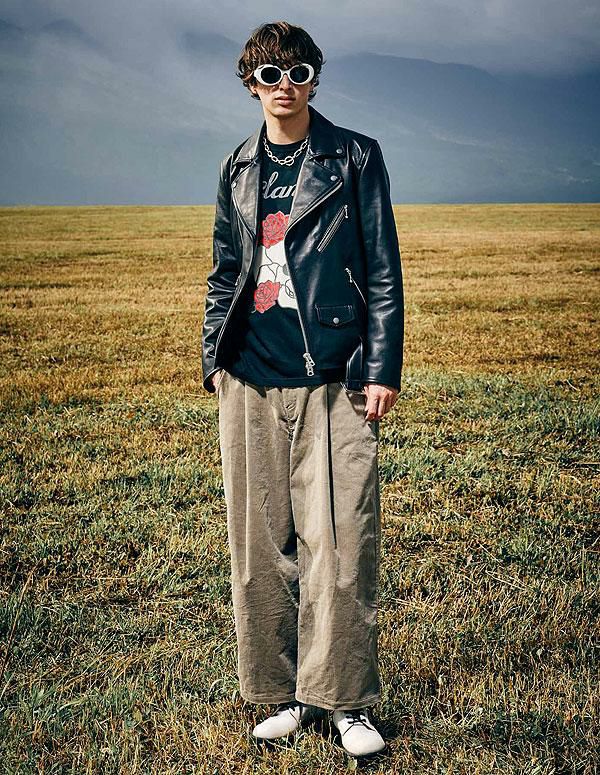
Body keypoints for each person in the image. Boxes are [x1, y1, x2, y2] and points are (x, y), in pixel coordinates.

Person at [201, 21, 404, 759]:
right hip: (250, 378)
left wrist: (381, 366)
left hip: (335, 378)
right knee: (259, 550)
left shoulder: (354, 156)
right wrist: (214, 359)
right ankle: (280, 694)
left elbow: (382, 267)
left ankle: (345, 701)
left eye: (298, 71)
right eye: (270, 73)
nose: (284, 84)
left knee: (342, 544)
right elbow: (226, 271)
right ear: (250, 82)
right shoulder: (236, 166)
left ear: (314, 79)